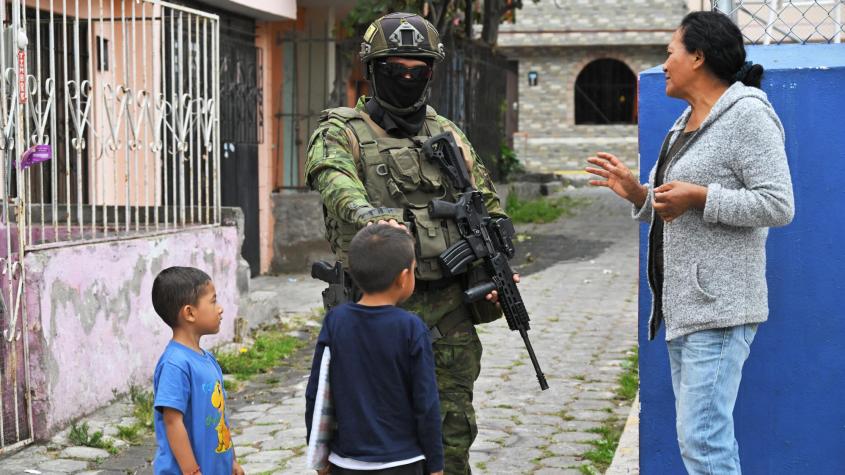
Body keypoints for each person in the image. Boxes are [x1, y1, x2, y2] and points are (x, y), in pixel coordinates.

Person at [305, 12, 517, 474]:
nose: (406, 77)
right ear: (372, 70)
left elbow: (486, 206)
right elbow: (335, 182)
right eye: (394, 68)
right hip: (373, 314)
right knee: (366, 436)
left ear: (431, 72)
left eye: (416, 69)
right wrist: (372, 219)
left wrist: (495, 263)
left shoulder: (448, 134)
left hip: (448, 313)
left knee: (451, 431)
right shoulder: (340, 132)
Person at [586, 11, 794, 475]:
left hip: (720, 308)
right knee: (698, 439)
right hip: (686, 308)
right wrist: (639, 194)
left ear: (698, 56)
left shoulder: (748, 116)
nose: (664, 64)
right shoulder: (684, 123)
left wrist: (700, 196)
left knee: (703, 440)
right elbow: (672, 209)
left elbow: (778, 205)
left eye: (670, 52)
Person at [305, 224, 444, 475]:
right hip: (404, 462)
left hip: (346, 462)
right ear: (403, 278)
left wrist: (319, 457)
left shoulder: (336, 321)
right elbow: (426, 403)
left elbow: (317, 393)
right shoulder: (411, 328)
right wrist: (435, 465)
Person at [150, 266, 244, 475]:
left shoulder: (207, 359)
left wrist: (231, 461)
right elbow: (172, 421)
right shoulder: (175, 364)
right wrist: (191, 471)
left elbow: (220, 417)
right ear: (190, 313)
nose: (220, 308)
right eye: (213, 301)